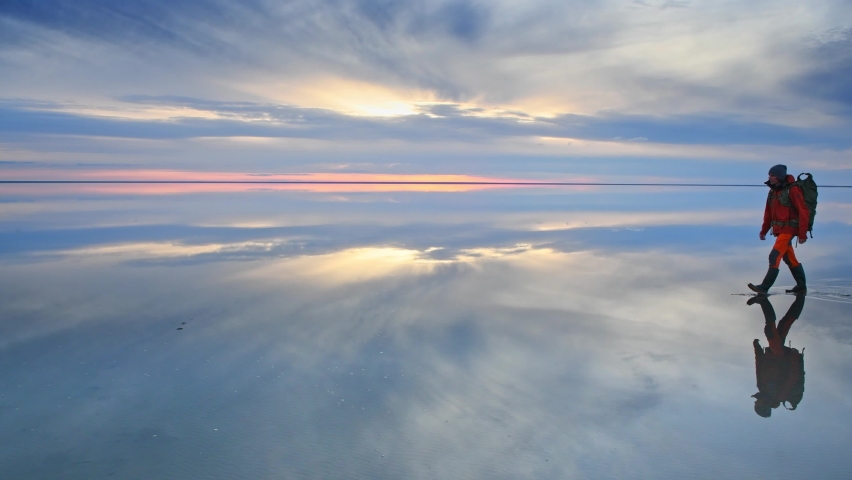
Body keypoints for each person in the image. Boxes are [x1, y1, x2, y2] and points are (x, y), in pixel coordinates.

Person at [748, 164, 810, 295]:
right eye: (769, 175)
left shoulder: (792, 190)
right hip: (779, 230)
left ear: (780, 176)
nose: (770, 177)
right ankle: (801, 286)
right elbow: (768, 213)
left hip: (789, 229)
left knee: (774, 255)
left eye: (773, 175)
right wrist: (764, 230)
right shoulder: (773, 191)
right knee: (789, 258)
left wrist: (802, 233)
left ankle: (764, 287)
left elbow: (803, 211)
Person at [747, 295, 806, 417]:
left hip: (773, 354)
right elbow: (793, 376)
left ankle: (800, 298)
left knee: (784, 324)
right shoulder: (780, 395)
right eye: (757, 404)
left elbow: (759, 366)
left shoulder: (762, 387)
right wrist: (794, 358)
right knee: (771, 331)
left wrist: (757, 349)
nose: (756, 401)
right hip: (781, 356)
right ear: (764, 405)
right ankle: (763, 300)